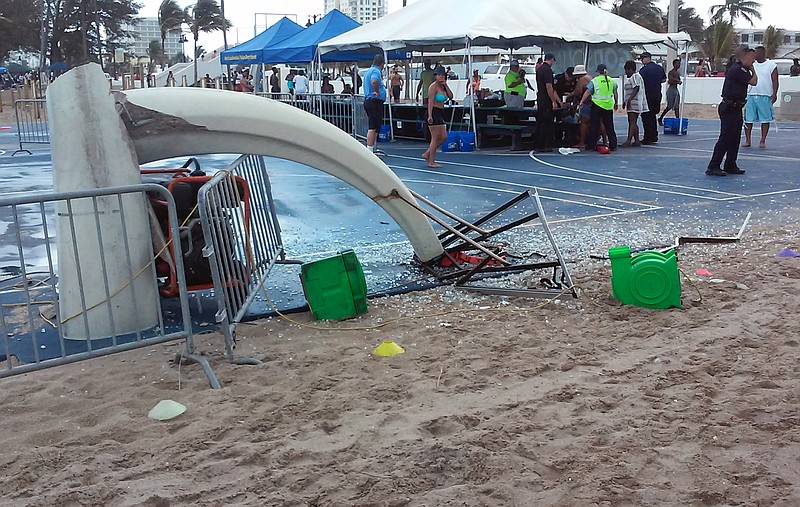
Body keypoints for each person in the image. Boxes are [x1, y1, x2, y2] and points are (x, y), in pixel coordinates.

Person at [706, 47, 758, 176]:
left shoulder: (741, 69)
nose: (754, 61)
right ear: (745, 57)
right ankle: (713, 166)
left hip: (736, 107)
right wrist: (753, 70)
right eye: (752, 58)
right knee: (726, 137)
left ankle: (730, 164)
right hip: (729, 107)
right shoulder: (738, 69)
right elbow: (754, 82)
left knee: (734, 138)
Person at [744, 46, 779, 149]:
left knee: (765, 119)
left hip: (765, 95)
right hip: (751, 94)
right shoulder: (751, 65)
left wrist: (774, 94)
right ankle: (748, 140)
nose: (754, 56)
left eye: (756, 53)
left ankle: (762, 140)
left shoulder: (771, 65)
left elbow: (775, 81)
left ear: (762, 53)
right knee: (748, 119)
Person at [579, 63, 618, 152]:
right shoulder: (611, 80)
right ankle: (613, 144)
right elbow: (615, 92)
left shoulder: (595, 81)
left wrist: (582, 101)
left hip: (597, 105)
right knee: (609, 126)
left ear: (597, 71)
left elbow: (587, 92)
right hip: (608, 105)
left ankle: (591, 145)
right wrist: (615, 102)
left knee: (594, 126)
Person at [421, 66, 454, 168]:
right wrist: (430, 115)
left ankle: (427, 153)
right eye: (439, 75)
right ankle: (431, 161)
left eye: (442, 75)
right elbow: (430, 101)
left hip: (440, 112)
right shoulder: (433, 86)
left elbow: (451, 96)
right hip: (433, 111)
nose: (441, 77)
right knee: (435, 138)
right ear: (435, 76)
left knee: (444, 137)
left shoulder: (443, 87)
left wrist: (446, 85)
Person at [534, 53, 562, 153]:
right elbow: (549, 87)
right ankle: (544, 144)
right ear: (551, 59)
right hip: (546, 99)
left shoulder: (539, 69)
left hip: (540, 98)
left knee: (541, 121)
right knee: (547, 123)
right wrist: (553, 101)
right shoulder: (547, 71)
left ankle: (538, 143)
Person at [638, 52, 666, 144]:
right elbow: (663, 79)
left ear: (648, 58)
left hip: (647, 95)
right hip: (657, 94)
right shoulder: (659, 68)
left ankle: (648, 136)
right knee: (653, 115)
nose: (641, 61)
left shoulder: (644, 70)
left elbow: (639, 83)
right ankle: (654, 135)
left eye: (642, 59)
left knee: (646, 116)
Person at [363, 54, 387, 154]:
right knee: (373, 126)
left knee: (376, 126)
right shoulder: (375, 71)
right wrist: (377, 91)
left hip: (372, 101)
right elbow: (374, 81)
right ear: (382, 64)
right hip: (374, 101)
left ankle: (372, 147)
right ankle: (369, 150)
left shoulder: (368, 71)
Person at [622, 60, 648, 147]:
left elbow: (636, 88)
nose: (625, 72)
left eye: (626, 70)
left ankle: (628, 140)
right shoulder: (635, 76)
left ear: (630, 69)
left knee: (632, 121)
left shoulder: (635, 76)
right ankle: (636, 140)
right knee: (634, 121)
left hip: (634, 102)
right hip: (633, 101)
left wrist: (629, 100)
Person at [571, 65, 593, 149]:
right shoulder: (590, 78)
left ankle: (582, 142)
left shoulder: (581, 80)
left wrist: (572, 95)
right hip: (595, 103)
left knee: (584, 122)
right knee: (596, 123)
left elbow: (578, 92)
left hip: (586, 102)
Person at [658, 59, 682, 125]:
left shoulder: (677, 73)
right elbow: (670, 81)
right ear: (674, 64)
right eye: (677, 63)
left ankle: (677, 120)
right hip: (671, 90)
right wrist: (677, 81)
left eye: (679, 64)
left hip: (675, 90)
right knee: (669, 106)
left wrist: (677, 81)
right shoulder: (671, 72)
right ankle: (660, 118)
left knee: (677, 106)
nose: (679, 65)